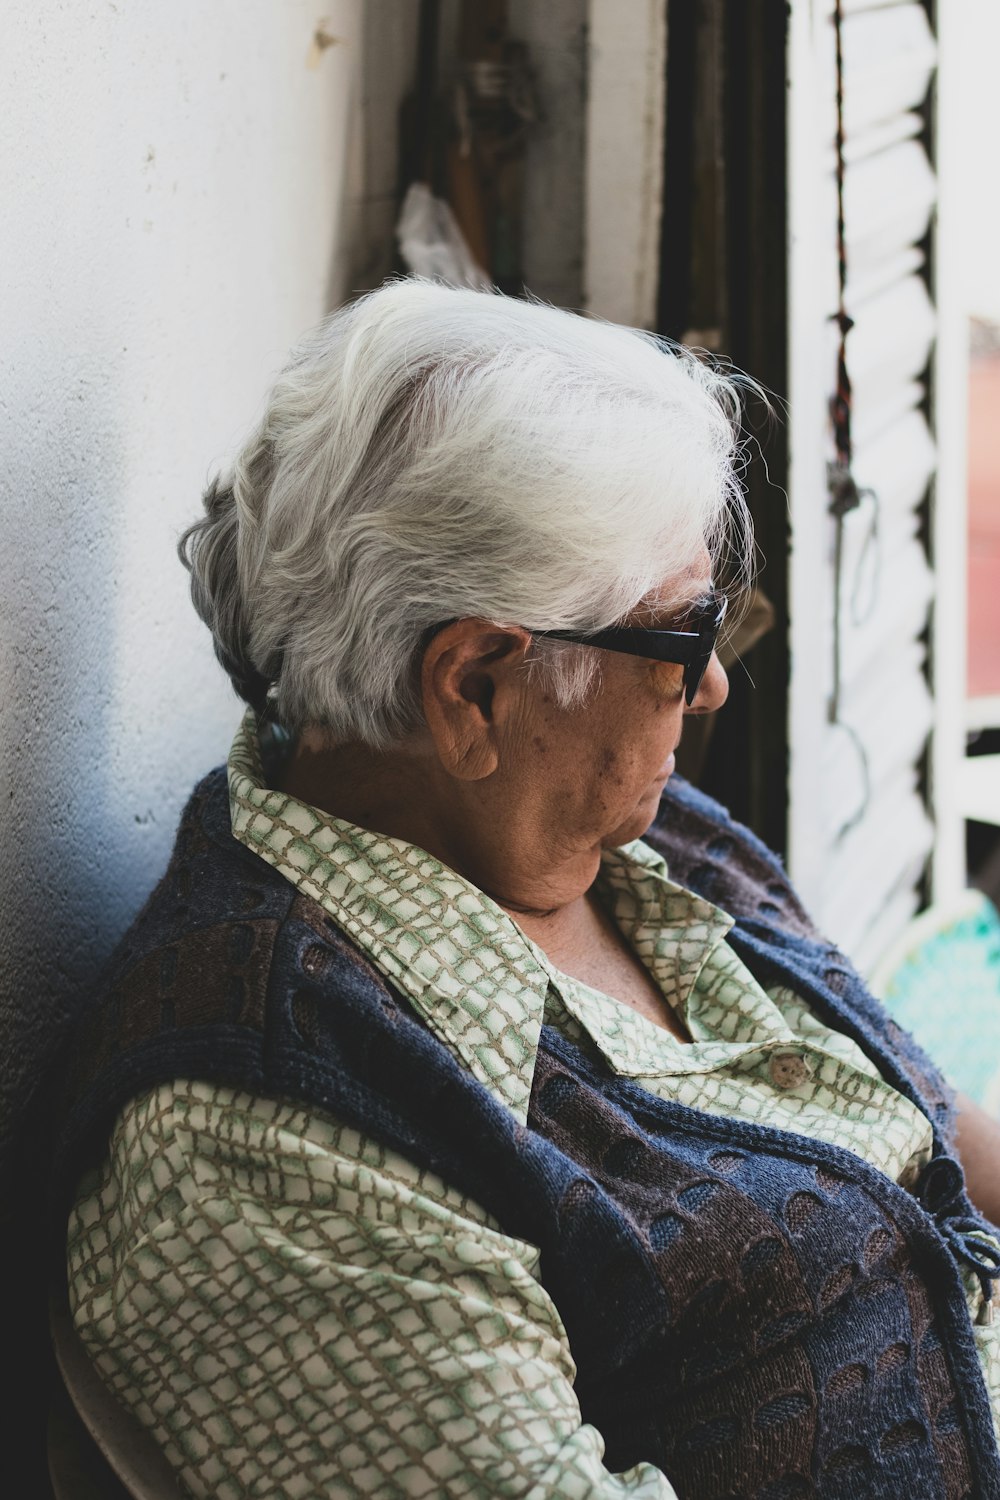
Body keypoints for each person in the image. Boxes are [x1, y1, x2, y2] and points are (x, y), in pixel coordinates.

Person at [54, 280, 1000, 1500]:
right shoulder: (266, 1141)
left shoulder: (642, 839)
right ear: (474, 689)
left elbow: (925, 1132)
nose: (711, 685)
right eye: (680, 635)